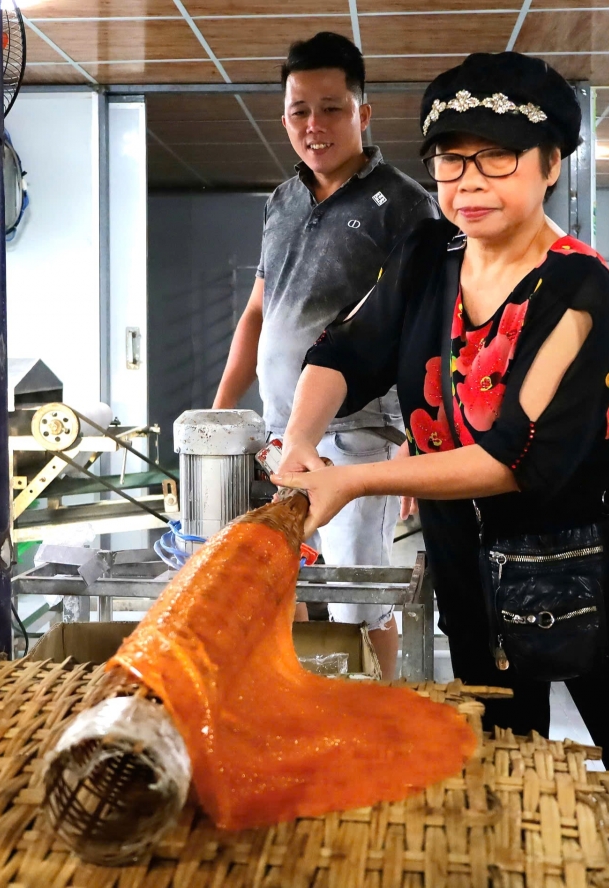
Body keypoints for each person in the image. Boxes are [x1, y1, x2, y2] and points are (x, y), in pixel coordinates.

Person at [270, 53, 609, 887]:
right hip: (470, 564)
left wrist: (353, 480)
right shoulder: (428, 256)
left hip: (585, 564)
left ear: (551, 165)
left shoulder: (577, 289)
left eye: (499, 157)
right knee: (505, 765)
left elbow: (517, 459)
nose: (469, 181)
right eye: (451, 159)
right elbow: (345, 350)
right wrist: (301, 438)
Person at [213, 32, 439, 677]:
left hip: (358, 435)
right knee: (275, 581)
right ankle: (301, 701)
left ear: (362, 114)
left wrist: (416, 439)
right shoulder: (282, 202)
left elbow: (426, 330)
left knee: (356, 597)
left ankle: (376, 709)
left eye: (332, 108)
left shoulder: (406, 204)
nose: (315, 125)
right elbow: (258, 313)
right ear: (284, 119)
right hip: (279, 435)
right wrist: (221, 414)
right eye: (299, 111)